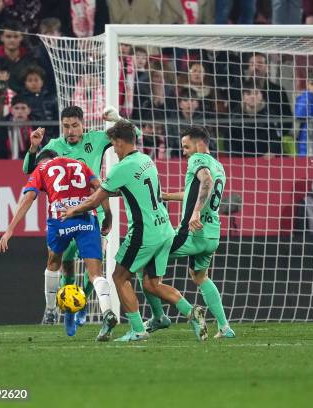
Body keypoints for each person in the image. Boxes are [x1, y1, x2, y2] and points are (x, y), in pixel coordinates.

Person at [62, 120, 208, 342]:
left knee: (119, 277)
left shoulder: (121, 168)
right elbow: (130, 189)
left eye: (113, 145)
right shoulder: (146, 159)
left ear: (120, 142)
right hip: (165, 229)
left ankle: (137, 329)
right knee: (151, 283)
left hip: (144, 233)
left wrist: (72, 210)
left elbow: (94, 200)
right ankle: (192, 313)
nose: (114, 150)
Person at [0, 149, 118, 340]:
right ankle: (108, 312)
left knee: (53, 263)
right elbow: (100, 188)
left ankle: (51, 311)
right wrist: (108, 216)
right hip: (86, 218)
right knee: (95, 274)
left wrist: (10, 229)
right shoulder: (79, 164)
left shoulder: (42, 168)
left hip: (59, 220)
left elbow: (28, 198)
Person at [22, 105, 120, 324]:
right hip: (64, 214)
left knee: (95, 261)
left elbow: (134, 135)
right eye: (66, 126)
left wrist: (118, 119)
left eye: (75, 126)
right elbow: (30, 171)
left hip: (93, 212)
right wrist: (33, 148)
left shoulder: (97, 139)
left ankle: (81, 302)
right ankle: (65, 307)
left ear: (83, 125)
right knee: (64, 263)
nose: (70, 131)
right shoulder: (55, 145)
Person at [154, 125, 235, 338]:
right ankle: (225, 327)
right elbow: (197, 191)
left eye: (186, 146)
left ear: (199, 144)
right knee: (199, 277)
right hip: (212, 233)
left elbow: (205, 181)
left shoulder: (197, 159)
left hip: (193, 231)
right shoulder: (219, 165)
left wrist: (195, 212)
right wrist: (168, 196)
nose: (184, 152)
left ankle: (160, 317)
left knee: (147, 256)